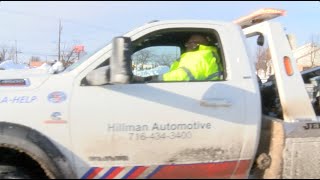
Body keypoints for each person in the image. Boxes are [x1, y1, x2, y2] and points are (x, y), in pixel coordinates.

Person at [133, 34, 223, 82]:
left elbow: (183, 75)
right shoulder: (195, 56)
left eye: (194, 42)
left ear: (203, 45)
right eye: (188, 43)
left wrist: (150, 79)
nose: (189, 45)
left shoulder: (201, 55)